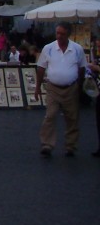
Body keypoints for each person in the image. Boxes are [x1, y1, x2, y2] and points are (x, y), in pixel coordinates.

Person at [35, 22, 87, 157]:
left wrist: (79, 86)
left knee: (72, 118)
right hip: (53, 87)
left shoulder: (77, 49)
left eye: (62, 34)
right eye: (57, 33)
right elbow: (40, 68)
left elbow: (82, 68)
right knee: (50, 116)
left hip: (71, 88)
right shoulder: (49, 48)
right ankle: (47, 144)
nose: (59, 36)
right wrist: (37, 87)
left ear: (68, 34)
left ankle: (71, 146)